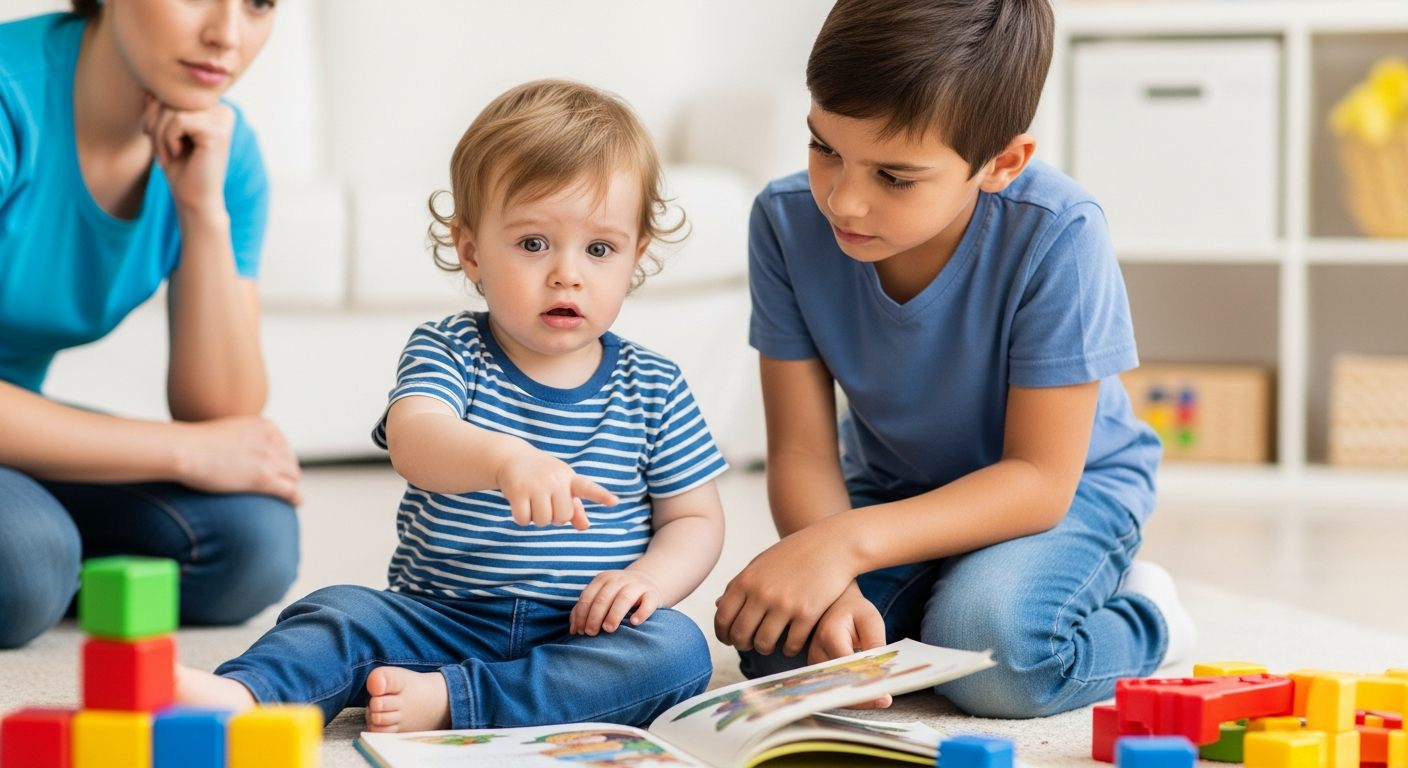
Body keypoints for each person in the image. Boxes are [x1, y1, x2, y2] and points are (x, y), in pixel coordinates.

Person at [175, 80, 729, 733]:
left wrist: (649, 583)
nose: (567, 274)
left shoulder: (655, 383)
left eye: (599, 249)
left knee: (678, 652)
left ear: (636, 255)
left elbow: (694, 517)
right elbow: (415, 438)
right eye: (532, 244)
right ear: (470, 251)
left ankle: (455, 701)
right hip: (438, 616)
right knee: (337, 613)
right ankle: (246, 699)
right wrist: (504, 460)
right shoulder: (450, 349)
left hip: (583, 632)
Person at [713, 0, 1196, 718]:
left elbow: (1038, 479)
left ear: (1002, 163)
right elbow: (801, 449)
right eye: (825, 149)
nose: (843, 200)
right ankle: (945, 594)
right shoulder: (784, 221)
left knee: (995, 660)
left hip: (1060, 495)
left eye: (894, 178)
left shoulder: (1059, 233)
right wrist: (834, 586)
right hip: (897, 490)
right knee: (785, 647)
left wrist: (843, 545)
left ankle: (1148, 616)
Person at [0, 0, 301, 649]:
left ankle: (56, 561)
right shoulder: (8, 98)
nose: (226, 34)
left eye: (257, 4)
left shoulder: (221, 147)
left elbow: (222, 411)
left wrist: (201, 211)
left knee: (253, 543)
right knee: (24, 563)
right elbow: (206, 441)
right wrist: (184, 452)